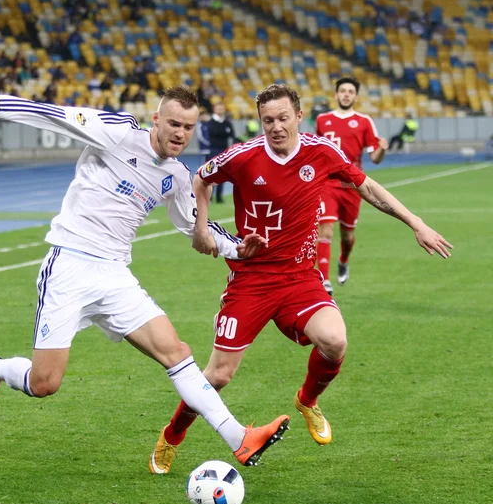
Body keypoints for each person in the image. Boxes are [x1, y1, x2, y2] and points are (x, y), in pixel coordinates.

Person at [0, 86, 289, 469]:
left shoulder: (177, 176)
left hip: (114, 275)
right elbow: (61, 117)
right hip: (69, 265)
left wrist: (238, 249)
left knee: (177, 352)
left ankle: (239, 438)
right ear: (156, 119)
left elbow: (195, 227)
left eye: (188, 126)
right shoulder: (117, 131)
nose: (180, 134)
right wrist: (0, 106)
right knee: (44, 384)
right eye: (173, 124)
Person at [149, 83, 452, 474]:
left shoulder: (321, 152)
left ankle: (307, 400)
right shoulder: (242, 157)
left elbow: (368, 187)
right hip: (252, 279)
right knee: (218, 374)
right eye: (267, 120)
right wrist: (201, 229)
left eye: (282, 118)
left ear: (298, 116)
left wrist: (416, 223)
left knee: (335, 340)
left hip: (298, 277)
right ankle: (173, 434)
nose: (275, 127)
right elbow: (201, 181)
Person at [315, 77, 389, 295]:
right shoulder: (322, 119)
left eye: (350, 91)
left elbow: (374, 158)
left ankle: (344, 259)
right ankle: (324, 281)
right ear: (336, 94)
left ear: (355, 96)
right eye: (343, 91)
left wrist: (382, 148)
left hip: (353, 185)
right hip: (328, 183)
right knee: (325, 230)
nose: (346, 94)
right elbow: (316, 150)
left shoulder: (364, 121)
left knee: (347, 236)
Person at [207, 100, 235, 203]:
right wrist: (224, 132)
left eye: (222, 108)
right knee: (211, 173)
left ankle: (219, 197)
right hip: (213, 151)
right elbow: (215, 132)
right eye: (218, 108)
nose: (220, 110)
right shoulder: (211, 122)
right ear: (214, 109)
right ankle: (209, 196)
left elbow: (232, 134)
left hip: (224, 151)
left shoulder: (227, 122)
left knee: (222, 174)